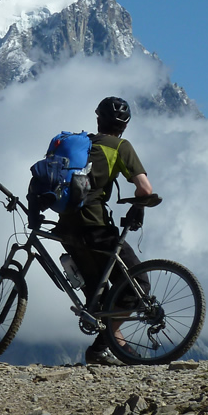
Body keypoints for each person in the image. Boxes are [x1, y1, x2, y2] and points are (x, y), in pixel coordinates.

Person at [54, 96, 161, 366]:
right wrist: (140, 205)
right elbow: (145, 189)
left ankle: (108, 349)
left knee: (96, 293)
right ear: (125, 125)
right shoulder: (121, 147)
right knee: (138, 284)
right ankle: (103, 346)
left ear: (98, 118)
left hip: (67, 227)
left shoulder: (82, 144)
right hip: (96, 226)